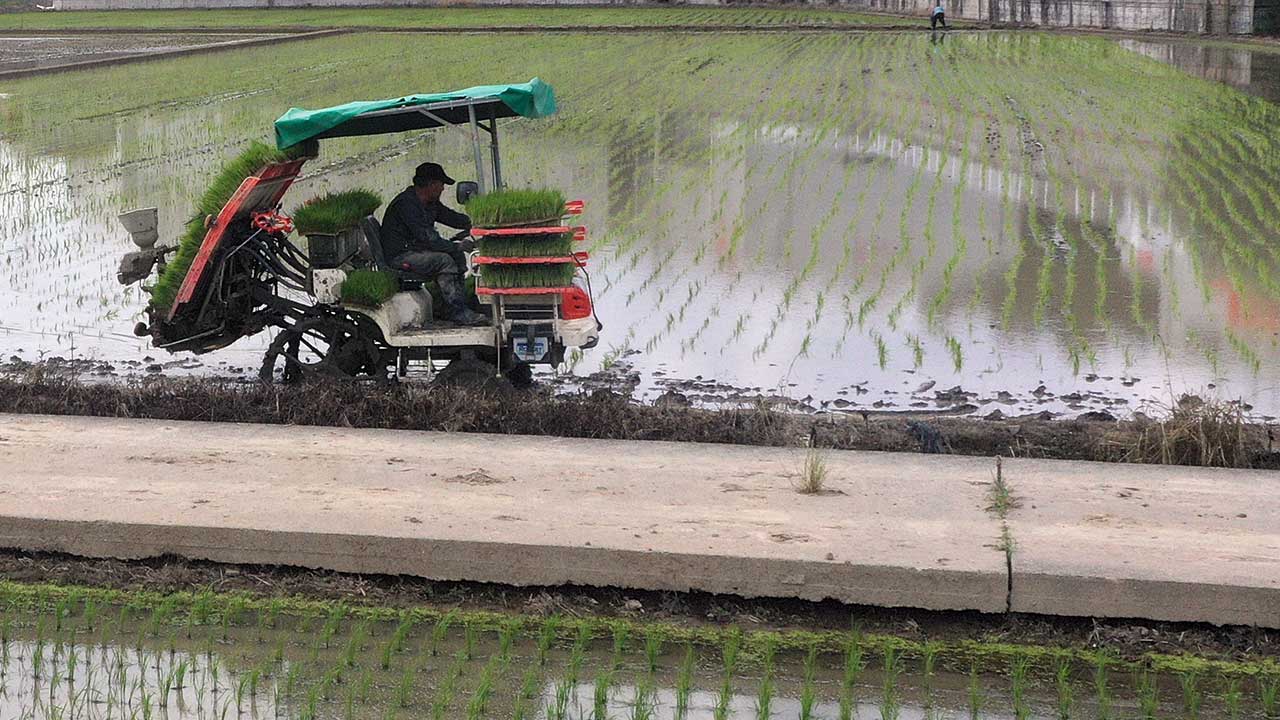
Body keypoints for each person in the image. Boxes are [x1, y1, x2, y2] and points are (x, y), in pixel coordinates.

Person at [381, 162, 487, 326]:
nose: (443, 188)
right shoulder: (407, 205)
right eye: (441, 184)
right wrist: (457, 245)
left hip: (416, 251)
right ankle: (457, 312)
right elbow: (428, 238)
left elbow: (452, 218)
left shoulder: (430, 203)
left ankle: (456, 304)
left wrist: (481, 221)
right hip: (401, 257)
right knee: (444, 261)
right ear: (430, 184)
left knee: (456, 255)